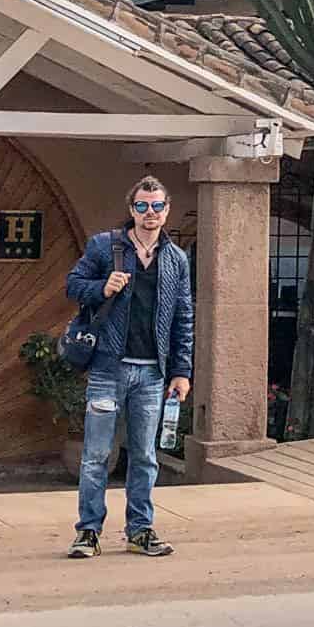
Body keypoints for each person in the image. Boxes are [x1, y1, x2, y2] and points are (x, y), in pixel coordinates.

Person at [63, 174, 191, 559]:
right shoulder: (106, 246)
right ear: (130, 209)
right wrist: (102, 288)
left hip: (153, 372)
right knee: (96, 455)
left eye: (156, 206)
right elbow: (72, 284)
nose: (149, 213)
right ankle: (88, 531)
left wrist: (182, 371)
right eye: (141, 206)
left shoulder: (176, 259)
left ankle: (141, 529)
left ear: (167, 211)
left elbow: (183, 316)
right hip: (107, 366)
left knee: (144, 455)